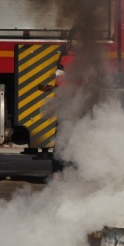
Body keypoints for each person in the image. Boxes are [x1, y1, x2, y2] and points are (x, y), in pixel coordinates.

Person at [49, 26, 79, 181]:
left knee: (78, 140)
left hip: (80, 105)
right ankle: (56, 174)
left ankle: (74, 174)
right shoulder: (64, 58)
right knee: (61, 139)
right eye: (76, 37)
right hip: (67, 104)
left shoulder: (88, 59)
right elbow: (59, 82)